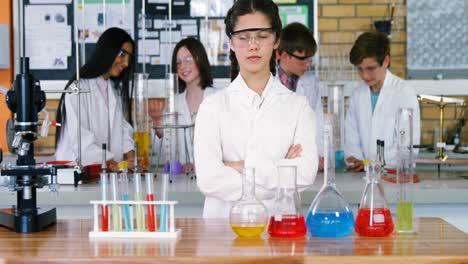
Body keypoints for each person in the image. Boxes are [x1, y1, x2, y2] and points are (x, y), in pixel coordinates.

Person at [194, 0, 318, 218]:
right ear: (231, 42)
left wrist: (241, 166)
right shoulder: (212, 107)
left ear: (276, 40)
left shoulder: (298, 107)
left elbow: (305, 173)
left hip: (279, 228)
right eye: (243, 37)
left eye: (262, 36)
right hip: (222, 234)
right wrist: (281, 170)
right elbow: (209, 179)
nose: (253, 45)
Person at [55, 27, 137, 172]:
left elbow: (122, 128)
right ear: (107, 51)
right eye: (122, 55)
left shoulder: (112, 90)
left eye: (129, 58)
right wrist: (114, 164)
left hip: (103, 175)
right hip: (76, 176)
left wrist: (132, 159)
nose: (126, 63)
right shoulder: (77, 89)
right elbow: (81, 140)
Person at [344, 31, 420, 171]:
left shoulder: (404, 93)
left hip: (396, 179)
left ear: (385, 61)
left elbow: (407, 149)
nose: (365, 75)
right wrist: (357, 161)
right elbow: (351, 142)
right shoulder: (357, 95)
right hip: (362, 178)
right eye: (360, 69)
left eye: (370, 68)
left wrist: (369, 163)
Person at [149, 37, 216, 166]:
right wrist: (158, 122)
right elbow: (163, 152)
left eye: (188, 59)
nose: (183, 66)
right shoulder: (173, 104)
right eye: (178, 62)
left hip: (213, 178)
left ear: (200, 59)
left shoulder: (218, 99)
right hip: (181, 180)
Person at [276, 22, 324, 169]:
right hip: (273, 161)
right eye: (303, 59)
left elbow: (318, 122)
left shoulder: (311, 83)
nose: (308, 64)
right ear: (284, 56)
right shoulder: (265, 80)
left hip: (304, 159)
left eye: (310, 59)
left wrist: (319, 156)